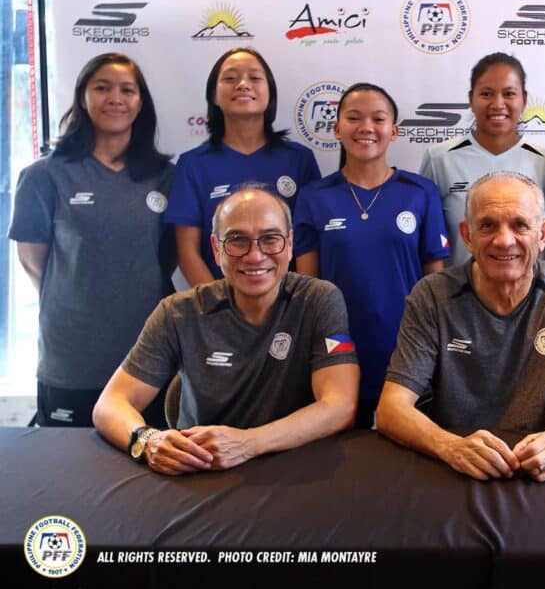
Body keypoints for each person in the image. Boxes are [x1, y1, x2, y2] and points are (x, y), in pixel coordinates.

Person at [376, 172, 545, 482]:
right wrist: (449, 446)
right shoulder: (431, 296)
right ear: (467, 236)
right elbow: (391, 409)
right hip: (457, 471)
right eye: (487, 225)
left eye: (520, 225)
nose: (504, 240)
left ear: (543, 234)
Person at [93, 185, 359, 475]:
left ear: (291, 243)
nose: (255, 256)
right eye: (237, 241)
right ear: (217, 247)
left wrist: (248, 443)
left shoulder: (318, 300)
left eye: (270, 239)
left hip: (293, 472)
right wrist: (147, 439)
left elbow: (340, 405)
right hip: (200, 473)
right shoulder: (178, 312)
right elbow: (110, 404)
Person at [9, 52, 175, 427]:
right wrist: (77, 294)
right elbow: (33, 261)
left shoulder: (164, 176)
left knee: (150, 472)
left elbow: (167, 257)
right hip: (72, 355)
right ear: (83, 97)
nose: (115, 97)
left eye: (127, 89)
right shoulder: (44, 175)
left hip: (147, 353)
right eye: (102, 87)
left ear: (140, 102)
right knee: (69, 471)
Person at [295, 83, 450, 428]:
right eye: (353, 117)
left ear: (393, 131)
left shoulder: (420, 192)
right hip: (337, 347)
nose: (366, 127)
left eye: (378, 119)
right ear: (337, 129)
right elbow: (307, 286)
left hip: (407, 348)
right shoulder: (314, 196)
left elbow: (435, 282)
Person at [165, 47, 321, 285]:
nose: (243, 84)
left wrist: (297, 307)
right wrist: (218, 309)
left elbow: (306, 245)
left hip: (287, 310)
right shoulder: (193, 165)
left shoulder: (299, 160)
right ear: (214, 95)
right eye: (230, 78)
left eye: (255, 78)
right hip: (218, 309)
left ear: (270, 93)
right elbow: (187, 253)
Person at [420, 52, 545, 267]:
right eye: (486, 94)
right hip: (458, 295)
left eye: (509, 93)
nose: (497, 104)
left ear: (524, 100)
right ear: (471, 99)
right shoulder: (440, 160)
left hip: (530, 295)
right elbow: (428, 239)